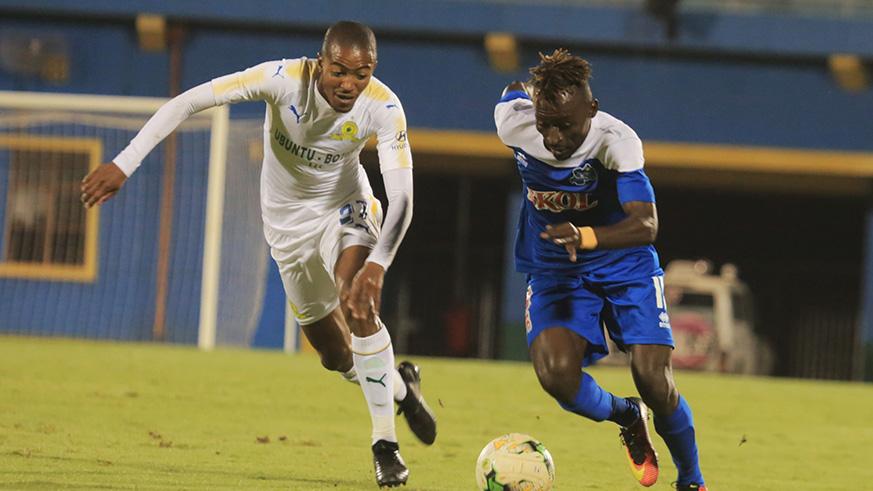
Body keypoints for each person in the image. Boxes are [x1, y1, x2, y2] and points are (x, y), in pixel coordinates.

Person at [80, 20, 436, 489]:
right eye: (339, 71)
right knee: (333, 354)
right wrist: (124, 162)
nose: (349, 83)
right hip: (286, 230)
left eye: (362, 73)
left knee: (358, 300)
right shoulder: (280, 80)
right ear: (319, 63)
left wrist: (377, 264)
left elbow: (403, 199)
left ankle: (384, 445)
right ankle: (399, 386)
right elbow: (190, 101)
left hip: (343, 209)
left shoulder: (384, 108)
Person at [494, 49, 706, 491]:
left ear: (591, 109)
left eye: (565, 125)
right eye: (544, 122)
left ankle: (692, 479)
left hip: (624, 264)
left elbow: (646, 225)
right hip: (555, 268)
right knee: (556, 377)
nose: (553, 137)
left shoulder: (616, 141)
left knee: (653, 379)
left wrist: (586, 236)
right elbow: (513, 91)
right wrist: (528, 90)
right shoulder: (513, 122)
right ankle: (626, 416)